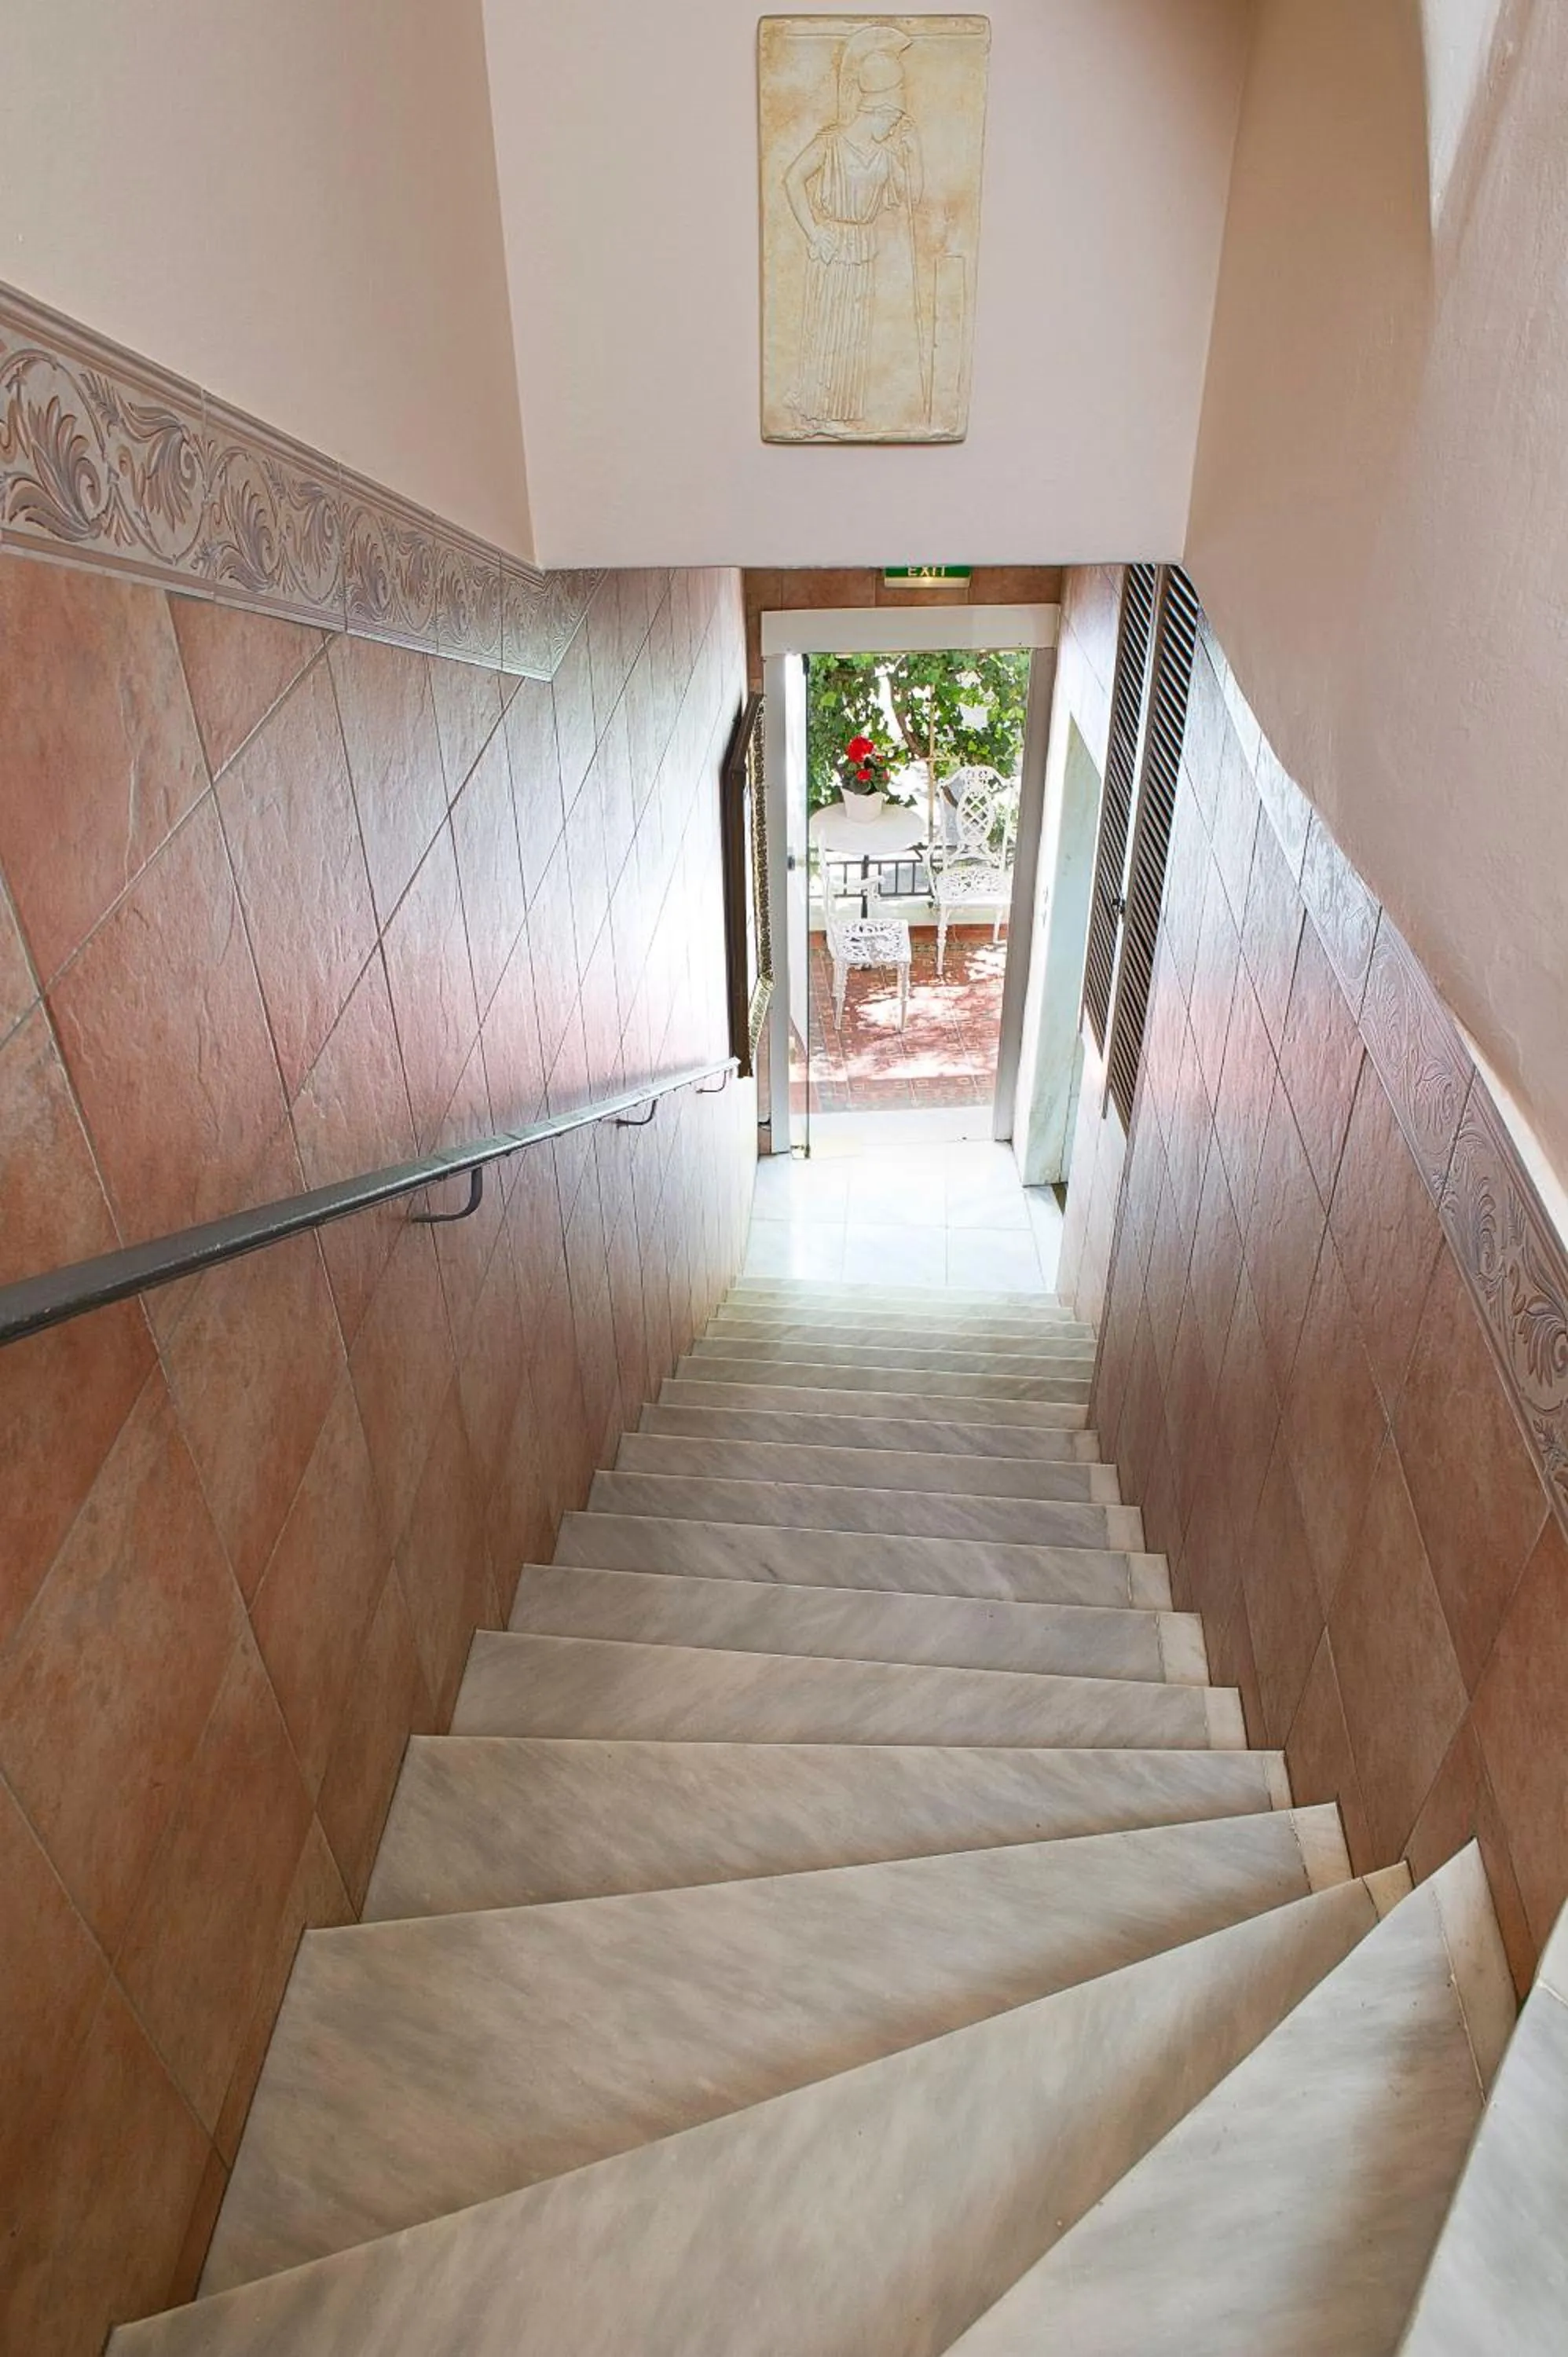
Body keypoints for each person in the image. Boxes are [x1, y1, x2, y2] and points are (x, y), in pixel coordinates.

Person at [782, 25, 928, 434]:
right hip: (833, 244)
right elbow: (792, 179)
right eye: (894, 120)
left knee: (852, 332)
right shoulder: (830, 144)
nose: (895, 128)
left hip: (862, 247)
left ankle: (835, 411)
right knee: (827, 325)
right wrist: (813, 233)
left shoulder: (883, 156)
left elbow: (913, 198)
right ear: (878, 112)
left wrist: (914, 154)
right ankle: (816, 409)